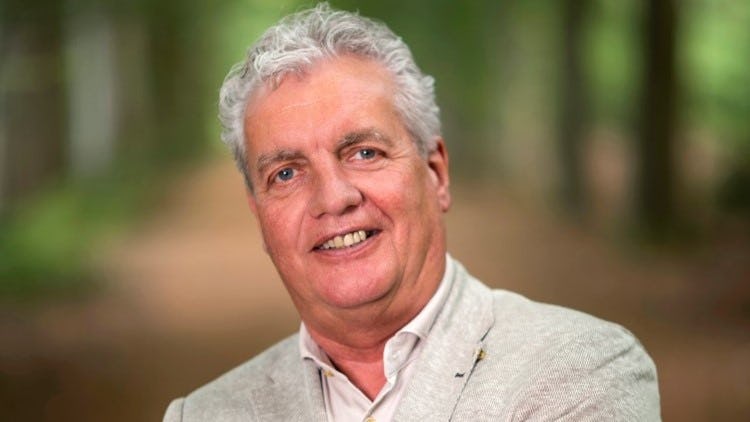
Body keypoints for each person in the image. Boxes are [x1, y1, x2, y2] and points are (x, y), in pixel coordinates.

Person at [163, 3, 660, 421]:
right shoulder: (202, 415)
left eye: (364, 152)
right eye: (287, 174)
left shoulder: (582, 371)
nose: (333, 198)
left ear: (436, 173)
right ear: (260, 218)